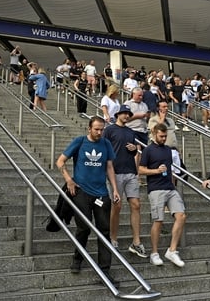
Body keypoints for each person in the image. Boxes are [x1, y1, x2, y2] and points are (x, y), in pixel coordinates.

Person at [56, 117, 120, 285]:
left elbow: (109, 167)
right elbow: (60, 161)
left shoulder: (106, 144)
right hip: (81, 191)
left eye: (102, 129)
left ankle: (105, 271)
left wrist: (114, 188)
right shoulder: (80, 141)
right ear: (89, 128)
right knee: (84, 227)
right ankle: (77, 259)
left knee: (104, 231)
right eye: (96, 129)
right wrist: (69, 180)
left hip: (101, 193)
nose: (99, 132)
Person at [139, 123, 187, 267]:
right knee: (158, 220)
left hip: (169, 187)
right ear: (154, 134)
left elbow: (170, 169)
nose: (163, 138)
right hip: (155, 189)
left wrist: (172, 182)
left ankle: (172, 250)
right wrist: (156, 171)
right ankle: (154, 252)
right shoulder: (148, 150)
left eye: (165, 136)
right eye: (161, 136)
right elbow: (141, 170)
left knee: (181, 215)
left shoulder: (168, 150)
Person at [103, 105, 147, 257]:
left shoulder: (130, 132)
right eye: (124, 113)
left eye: (128, 114)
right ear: (118, 114)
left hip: (130, 171)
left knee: (136, 204)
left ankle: (136, 242)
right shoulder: (109, 130)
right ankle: (113, 238)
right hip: (115, 171)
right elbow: (103, 148)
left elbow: (135, 150)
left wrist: (134, 149)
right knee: (117, 206)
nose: (127, 116)